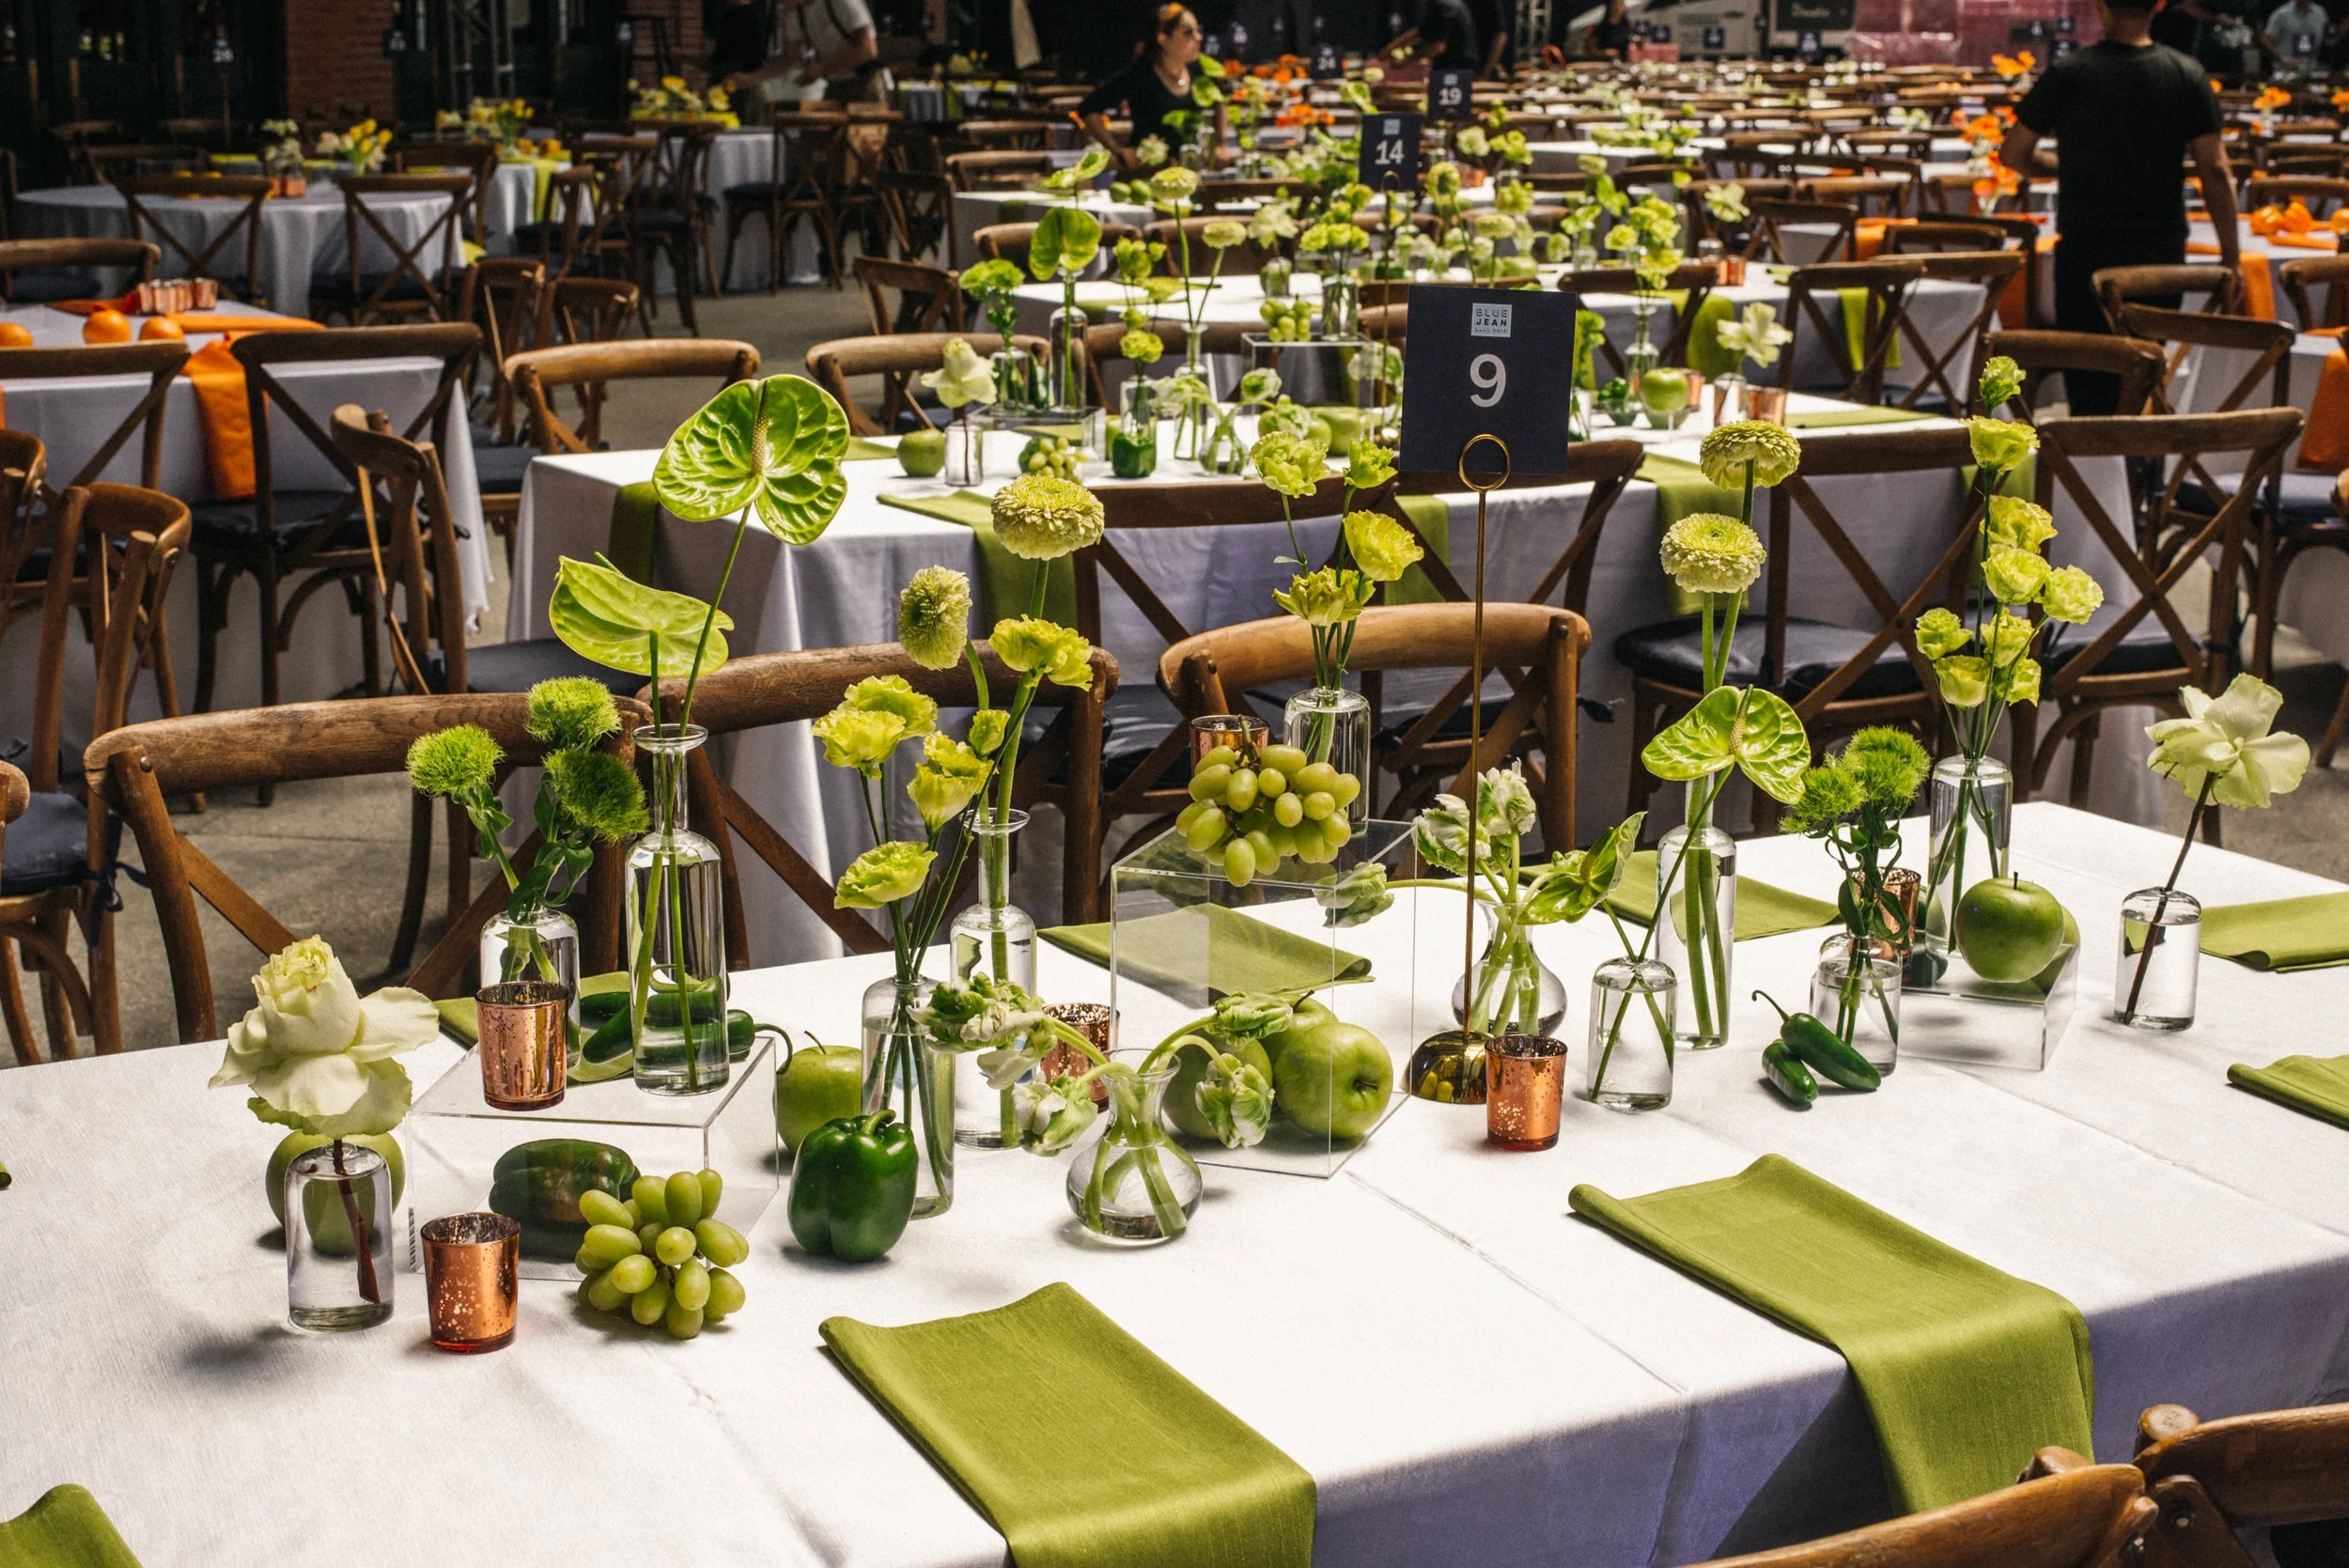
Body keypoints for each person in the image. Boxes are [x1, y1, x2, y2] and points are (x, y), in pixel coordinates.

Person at [2002, 0, 2237, 415]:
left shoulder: (2070, 73)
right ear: (2158, 6)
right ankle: (2140, 473)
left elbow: (2014, 153)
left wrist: (2062, 166)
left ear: (2100, 7)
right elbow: (2215, 170)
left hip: (2085, 255)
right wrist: (2230, 257)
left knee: (2090, 388)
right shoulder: (2186, 74)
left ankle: (2091, 476)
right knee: (2144, 378)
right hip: (2159, 258)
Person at [1079, 5, 1230, 172]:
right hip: (1146, 171)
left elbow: (1220, 102)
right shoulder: (1139, 75)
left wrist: (1220, 143)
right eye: (1188, 32)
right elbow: (1087, 109)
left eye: (1198, 30)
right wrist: (1117, 150)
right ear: (1163, 39)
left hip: (1189, 169)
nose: (1199, 37)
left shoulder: (1200, 70)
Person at [723, 0, 880, 104]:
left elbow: (868, 50)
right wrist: (750, 79)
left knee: (863, 149)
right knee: (828, 150)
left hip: (865, 84)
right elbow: (789, 58)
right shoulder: (795, 12)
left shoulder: (841, 2)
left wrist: (823, 67)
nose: (780, 4)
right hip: (835, 86)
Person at [1380, 0, 1483, 72]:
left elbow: (1437, 47)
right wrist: (1390, 48)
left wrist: (1406, 61)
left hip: (1457, 68)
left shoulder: (1445, 6)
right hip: (1449, 66)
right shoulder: (1436, 4)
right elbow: (1420, 33)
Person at [2263, 0, 2333, 72]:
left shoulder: (2320, 13)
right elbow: (2267, 41)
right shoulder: (2281, 15)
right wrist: (2281, 59)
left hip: (2311, 71)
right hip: (2285, 72)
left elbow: (2326, 37)